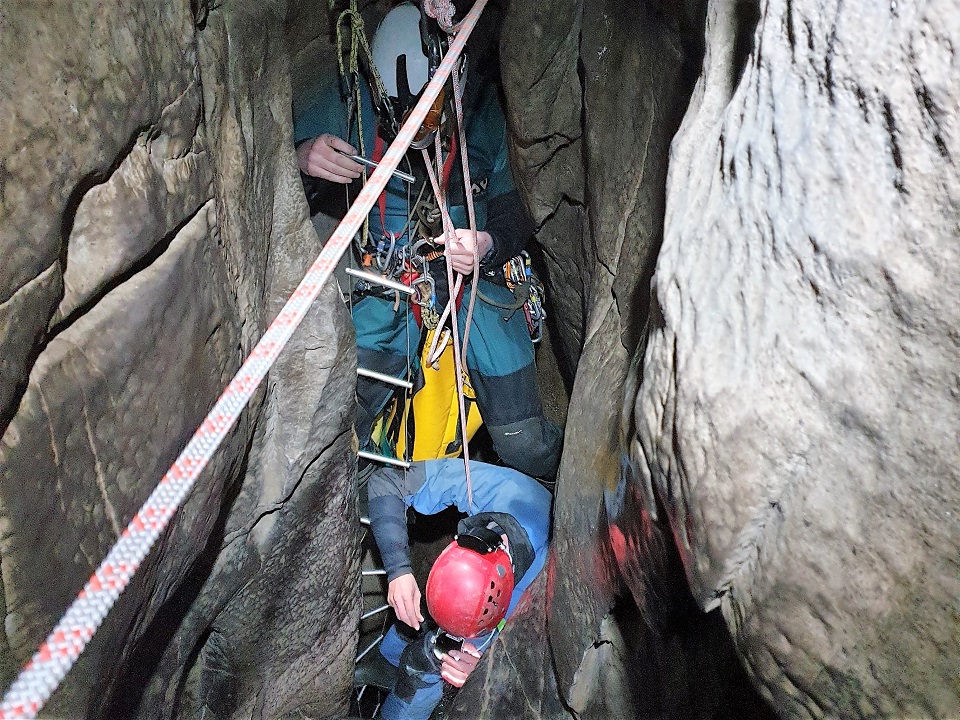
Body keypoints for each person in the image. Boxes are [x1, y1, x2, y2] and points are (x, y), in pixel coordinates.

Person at [293, 1, 562, 481]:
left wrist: (487, 241)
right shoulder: (346, 104)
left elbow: (517, 208)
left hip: (476, 285)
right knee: (338, 422)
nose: (417, 126)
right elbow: (267, 168)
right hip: (388, 285)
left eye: (427, 109)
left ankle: (560, 496)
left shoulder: (481, 117)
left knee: (522, 440)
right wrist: (300, 158)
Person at [361, 458, 552, 720]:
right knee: (425, 612)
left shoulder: (552, 590)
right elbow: (388, 481)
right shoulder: (505, 492)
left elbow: (548, 681)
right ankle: (387, 665)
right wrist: (398, 571)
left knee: (438, 658)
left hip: (513, 629)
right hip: (493, 606)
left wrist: (487, 669)